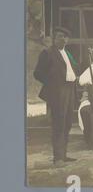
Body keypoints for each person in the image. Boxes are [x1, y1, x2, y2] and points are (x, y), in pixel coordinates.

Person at [33, 26, 78, 167]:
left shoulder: (68, 53)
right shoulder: (47, 53)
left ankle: (63, 155)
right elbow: (38, 73)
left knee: (68, 123)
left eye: (65, 37)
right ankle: (57, 158)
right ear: (54, 39)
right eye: (59, 36)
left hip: (70, 91)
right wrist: (53, 85)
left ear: (68, 39)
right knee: (59, 123)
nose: (62, 39)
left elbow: (73, 69)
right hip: (58, 92)